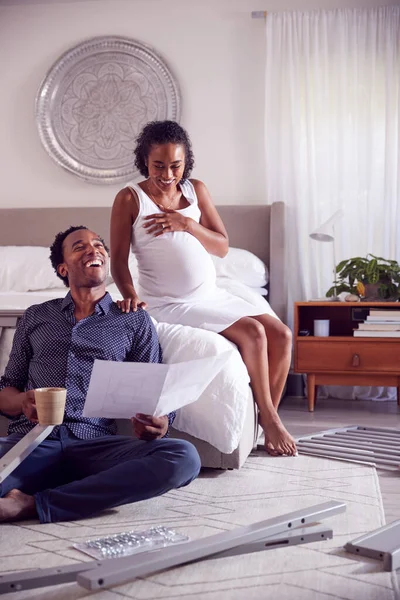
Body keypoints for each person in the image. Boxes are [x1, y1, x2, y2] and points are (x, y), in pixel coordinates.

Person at [110, 120, 297, 457]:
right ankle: (269, 420)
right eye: (158, 166)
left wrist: (187, 224)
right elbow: (119, 261)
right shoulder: (130, 198)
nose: (168, 174)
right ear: (144, 160)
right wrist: (129, 295)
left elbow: (222, 247)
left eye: (175, 165)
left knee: (282, 335)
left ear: (186, 162)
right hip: (169, 302)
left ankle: (258, 421)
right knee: (254, 332)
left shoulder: (196, 191)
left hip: (210, 296)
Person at [0, 226, 201, 523]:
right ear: (63, 268)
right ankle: (57, 489)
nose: (93, 250)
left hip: (94, 446)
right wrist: (23, 402)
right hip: (32, 440)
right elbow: (7, 389)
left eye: (98, 245)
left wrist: (160, 422)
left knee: (183, 458)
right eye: (80, 247)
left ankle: (34, 504)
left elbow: (157, 395)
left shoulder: (133, 319)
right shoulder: (36, 316)